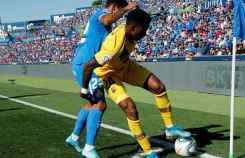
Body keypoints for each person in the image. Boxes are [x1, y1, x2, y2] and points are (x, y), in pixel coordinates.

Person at [82, 9, 192, 158]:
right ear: (133, 28)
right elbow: (88, 66)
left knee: (158, 87)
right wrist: (84, 89)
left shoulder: (130, 30)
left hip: (125, 66)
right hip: (109, 74)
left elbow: (130, 16)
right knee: (130, 108)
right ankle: (147, 151)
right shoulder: (113, 47)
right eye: (144, 30)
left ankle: (169, 128)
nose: (145, 33)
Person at [66, 1, 137, 158]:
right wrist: (127, 9)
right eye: (120, 8)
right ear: (113, 7)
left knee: (92, 103)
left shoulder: (103, 21)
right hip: (86, 65)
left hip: (85, 64)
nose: (120, 14)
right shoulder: (100, 14)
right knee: (100, 104)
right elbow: (106, 20)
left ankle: (74, 137)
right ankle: (89, 147)